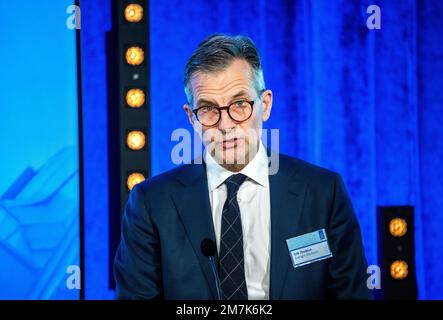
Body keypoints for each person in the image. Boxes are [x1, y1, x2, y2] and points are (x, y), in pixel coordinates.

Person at [114, 34, 370, 300]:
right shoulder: (151, 203)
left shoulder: (323, 193)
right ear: (191, 118)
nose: (225, 125)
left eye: (239, 104)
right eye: (208, 109)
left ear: (266, 105)